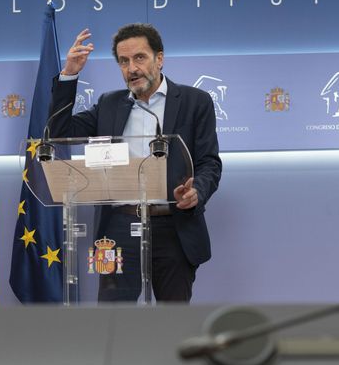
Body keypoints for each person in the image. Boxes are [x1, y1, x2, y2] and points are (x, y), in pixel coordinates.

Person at [48, 23, 222, 303]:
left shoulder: (195, 101)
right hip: (117, 227)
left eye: (140, 58)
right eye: (124, 61)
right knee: (114, 321)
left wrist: (196, 192)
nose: (132, 68)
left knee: (172, 321)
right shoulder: (109, 103)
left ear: (159, 58)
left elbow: (209, 163)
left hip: (173, 225)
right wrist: (69, 74)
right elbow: (59, 132)